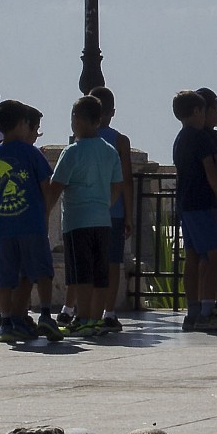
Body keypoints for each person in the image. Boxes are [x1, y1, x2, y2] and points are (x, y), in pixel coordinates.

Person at [0, 100, 56, 345]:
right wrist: (43, 211)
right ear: (22, 124)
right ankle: (45, 313)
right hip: (31, 223)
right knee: (42, 270)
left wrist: (0, 208)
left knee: (6, 274)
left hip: (3, 227)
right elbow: (46, 185)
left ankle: (6, 321)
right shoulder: (31, 153)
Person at [46, 96, 125, 338]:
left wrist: (44, 213)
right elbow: (117, 186)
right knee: (100, 272)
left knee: (80, 273)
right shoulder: (110, 151)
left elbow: (56, 186)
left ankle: (82, 317)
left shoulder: (72, 152)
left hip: (77, 221)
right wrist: (103, 205)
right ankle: (94, 318)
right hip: (102, 220)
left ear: (77, 120)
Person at [172, 89, 217, 331]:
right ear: (198, 111)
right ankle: (208, 311)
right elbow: (211, 170)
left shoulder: (180, 138)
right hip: (202, 203)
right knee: (216, 256)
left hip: (185, 204)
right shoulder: (201, 138)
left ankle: (193, 309)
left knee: (193, 256)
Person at [89, 86, 134, 309]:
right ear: (111, 112)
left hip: (87, 210)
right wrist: (129, 215)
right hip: (114, 210)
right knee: (113, 262)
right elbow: (126, 180)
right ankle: (108, 311)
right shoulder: (120, 141)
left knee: (90, 261)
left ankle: (85, 309)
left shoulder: (82, 139)